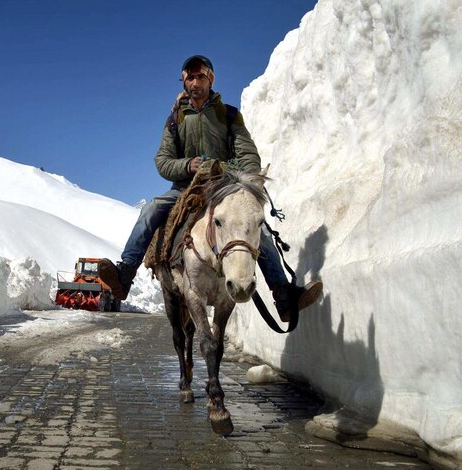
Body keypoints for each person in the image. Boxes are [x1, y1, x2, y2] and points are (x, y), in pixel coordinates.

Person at [99, 54, 322, 322]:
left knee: (256, 229)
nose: (195, 81)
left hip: (224, 189)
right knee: (152, 208)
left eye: (201, 76)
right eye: (190, 77)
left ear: (210, 79)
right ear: (183, 81)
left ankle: (283, 296)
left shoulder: (228, 115)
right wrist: (189, 165)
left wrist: (223, 169)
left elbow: (249, 156)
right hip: (185, 189)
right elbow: (163, 161)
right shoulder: (174, 120)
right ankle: (125, 275)